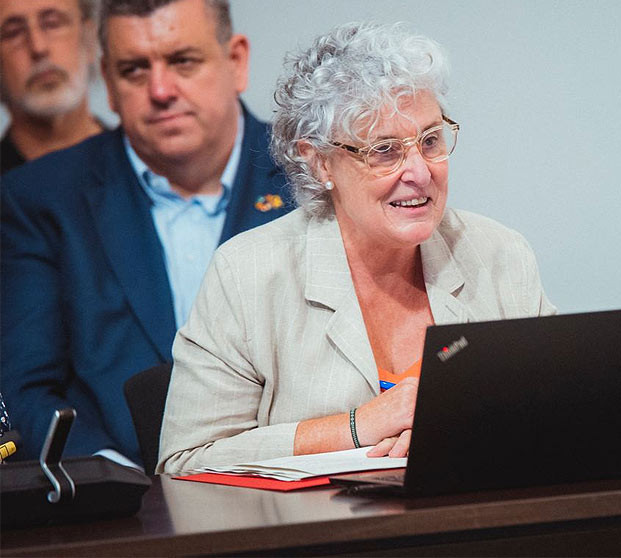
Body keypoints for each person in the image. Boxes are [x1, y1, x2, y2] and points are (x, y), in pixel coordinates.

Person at [157, 22, 556, 475]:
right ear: (320, 162)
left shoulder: (499, 255)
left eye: (430, 141)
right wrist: (358, 426)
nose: (420, 172)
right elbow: (186, 460)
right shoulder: (247, 274)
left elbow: (560, 410)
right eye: (385, 151)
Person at [0, 0, 290, 468]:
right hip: (121, 499)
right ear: (109, 82)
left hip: (302, 483)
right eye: (134, 70)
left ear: (236, 61)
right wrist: (114, 480)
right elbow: (25, 389)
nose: (160, 90)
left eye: (183, 61)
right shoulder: (41, 199)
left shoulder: (314, 171)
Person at [0, 0, 105, 175]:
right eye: (13, 33)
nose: (38, 47)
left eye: (52, 24)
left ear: (90, 39)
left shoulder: (146, 161)